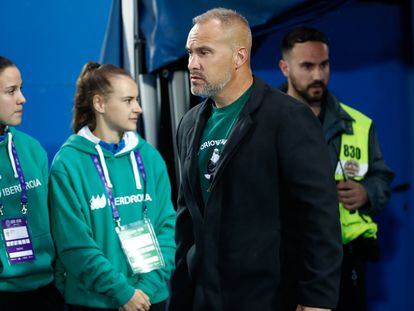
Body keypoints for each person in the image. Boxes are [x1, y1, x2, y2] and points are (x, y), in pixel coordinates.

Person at [170, 8, 343, 311]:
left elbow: (319, 218)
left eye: (204, 52)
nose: (192, 64)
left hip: (269, 297)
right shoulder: (188, 124)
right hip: (204, 298)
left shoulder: (288, 118)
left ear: (239, 57)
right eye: (190, 53)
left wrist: (317, 299)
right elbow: (187, 222)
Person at [278, 27, 394, 311]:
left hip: (346, 261)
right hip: (286, 259)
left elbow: (382, 177)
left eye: (324, 65)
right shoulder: (266, 123)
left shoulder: (359, 123)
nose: (318, 75)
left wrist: (367, 192)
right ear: (284, 67)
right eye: (307, 66)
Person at [49, 62, 176, 311]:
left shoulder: (150, 157)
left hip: (150, 299)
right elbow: (74, 245)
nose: (138, 108)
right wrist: (122, 293)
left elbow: (167, 229)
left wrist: (144, 290)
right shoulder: (68, 164)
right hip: (95, 302)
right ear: (100, 104)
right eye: (128, 100)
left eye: (137, 99)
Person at [0, 56, 63, 309]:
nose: (22, 98)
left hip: (46, 290)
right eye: (11, 91)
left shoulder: (31, 148)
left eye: (21, 88)